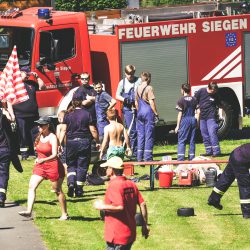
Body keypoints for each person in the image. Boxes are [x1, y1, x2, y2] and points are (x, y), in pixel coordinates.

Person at [93, 156, 149, 249]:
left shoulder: (114, 185)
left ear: (112, 170)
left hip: (117, 236)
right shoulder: (131, 184)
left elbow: (119, 207)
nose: (106, 170)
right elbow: (142, 204)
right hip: (129, 234)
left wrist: (101, 206)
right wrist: (145, 225)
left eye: (107, 167)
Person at [18, 116, 68, 220]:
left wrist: (43, 160)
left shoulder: (52, 137)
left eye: (41, 125)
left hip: (53, 166)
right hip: (40, 166)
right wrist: (38, 159)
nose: (39, 127)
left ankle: (64, 214)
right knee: (32, 186)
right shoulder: (38, 136)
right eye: (38, 125)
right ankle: (28, 211)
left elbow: (55, 154)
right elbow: (39, 151)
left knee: (57, 190)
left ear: (47, 125)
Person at [59, 94, 100, 198]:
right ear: (82, 102)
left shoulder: (68, 115)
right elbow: (93, 130)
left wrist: (59, 144)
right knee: (82, 165)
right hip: (84, 142)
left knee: (71, 164)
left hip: (71, 143)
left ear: (72, 102)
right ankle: (79, 189)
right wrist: (97, 141)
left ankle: (71, 183)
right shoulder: (87, 114)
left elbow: (63, 130)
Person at [208, 143, 250, 219]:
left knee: (226, 178)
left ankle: (213, 199)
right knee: (245, 186)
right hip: (241, 160)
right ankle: (247, 212)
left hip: (235, 154)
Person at [12, 70, 45, 160]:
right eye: (24, 74)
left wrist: (37, 77)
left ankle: (37, 152)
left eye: (27, 74)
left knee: (36, 135)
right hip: (20, 115)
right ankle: (24, 154)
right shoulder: (14, 85)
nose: (27, 75)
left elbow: (43, 87)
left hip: (33, 115)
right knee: (22, 136)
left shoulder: (32, 84)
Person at [0, 101, 23, 207]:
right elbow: (12, 119)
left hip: (4, 149)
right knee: (4, 173)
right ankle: (1, 196)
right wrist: (6, 108)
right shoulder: (4, 117)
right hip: (5, 149)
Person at [116, 65, 141, 158]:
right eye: (128, 74)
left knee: (140, 130)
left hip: (138, 108)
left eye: (132, 74)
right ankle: (133, 151)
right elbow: (117, 95)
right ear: (125, 73)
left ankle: (139, 151)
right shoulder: (122, 83)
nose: (130, 76)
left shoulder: (139, 81)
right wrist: (125, 100)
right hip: (128, 109)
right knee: (132, 131)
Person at [135, 72, 158, 162]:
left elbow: (136, 103)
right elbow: (151, 102)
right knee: (149, 135)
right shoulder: (149, 88)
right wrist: (156, 113)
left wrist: (139, 111)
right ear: (148, 79)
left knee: (141, 135)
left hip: (140, 112)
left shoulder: (137, 88)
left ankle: (139, 157)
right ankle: (148, 157)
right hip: (148, 112)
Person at [194, 81, 222, 157]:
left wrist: (220, 115)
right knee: (204, 134)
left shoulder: (215, 95)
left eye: (215, 91)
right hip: (202, 117)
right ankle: (209, 151)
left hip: (211, 116)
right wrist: (197, 108)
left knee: (212, 132)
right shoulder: (201, 91)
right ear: (210, 88)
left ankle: (217, 151)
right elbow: (194, 100)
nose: (215, 92)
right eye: (214, 90)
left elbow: (220, 105)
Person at [175, 83, 197, 161]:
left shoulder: (181, 100)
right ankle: (192, 158)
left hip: (185, 120)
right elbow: (198, 111)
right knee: (192, 140)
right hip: (193, 119)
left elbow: (180, 113)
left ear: (183, 90)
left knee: (182, 140)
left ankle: (180, 159)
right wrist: (197, 122)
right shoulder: (194, 99)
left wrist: (177, 126)